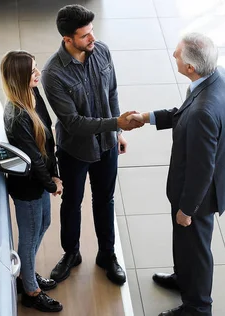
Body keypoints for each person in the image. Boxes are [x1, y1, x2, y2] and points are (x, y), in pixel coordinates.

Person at [128, 32, 225, 316]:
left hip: (197, 197)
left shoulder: (204, 111)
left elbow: (203, 168)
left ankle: (198, 306)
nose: (173, 55)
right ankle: (184, 279)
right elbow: (184, 113)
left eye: (177, 53)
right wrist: (148, 117)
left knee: (197, 248)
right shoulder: (217, 78)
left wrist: (187, 209)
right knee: (184, 242)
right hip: (194, 190)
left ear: (190, 67)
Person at [41, 4, 142, 286]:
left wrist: (117, 132)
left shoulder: (103, 51)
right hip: (75, 150)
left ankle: (107, 255)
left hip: (108, 144)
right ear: (68, 40)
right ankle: (71, 253)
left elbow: (112, 92)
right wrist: (116, 124)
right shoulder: (53, 74)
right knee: (72, 203)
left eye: (92, 32)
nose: (92, 39)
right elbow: (73, 122)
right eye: (85, 35)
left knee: (105, 200)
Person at [1, 50, 64, 313]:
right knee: (28, 236)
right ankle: (30, 290)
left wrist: (55, 173)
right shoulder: (17, 116)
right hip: (28, 186)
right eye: (33, 71)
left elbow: (48, 140)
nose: (38, 74)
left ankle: (25, 272)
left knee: (44, 223)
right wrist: (52, 184)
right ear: (20, 78)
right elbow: (34, 157)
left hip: (42, 178)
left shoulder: (33, 95)